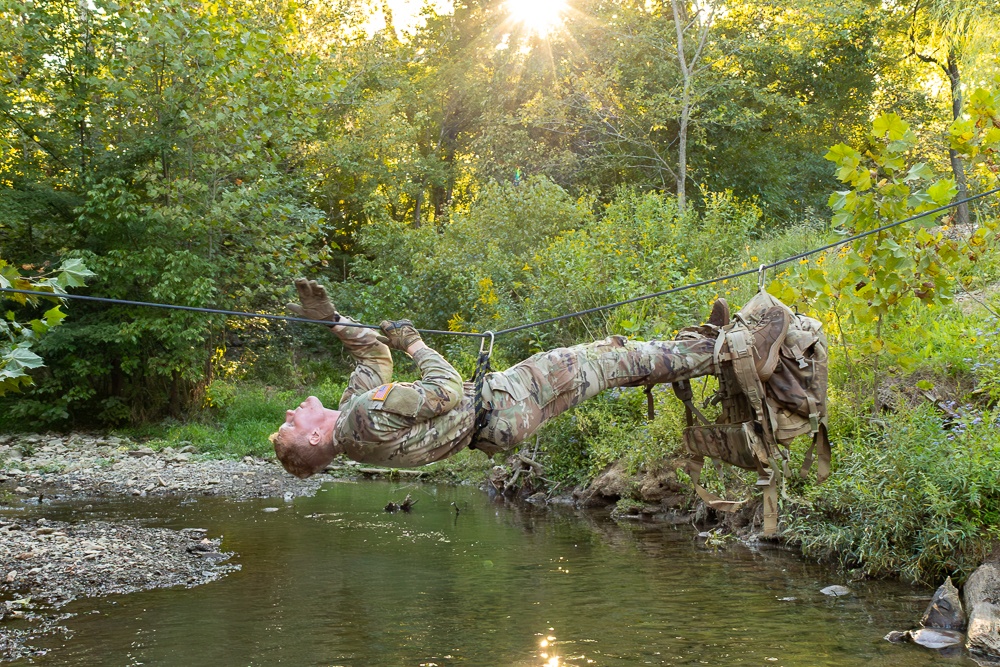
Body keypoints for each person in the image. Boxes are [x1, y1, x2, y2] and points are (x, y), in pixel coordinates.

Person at [270, 279, 790, 478]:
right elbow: (446, 390)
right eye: (293, 424)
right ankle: (731, 350)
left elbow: (373, 358)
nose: (293, 411)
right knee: (603, 363)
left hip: (499, 417)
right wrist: (416, 343)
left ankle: (699, 350)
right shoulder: (361, 418)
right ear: (315, 437)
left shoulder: (353, 419)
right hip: (501, 405)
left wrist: (334, 322)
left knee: (602, 356)